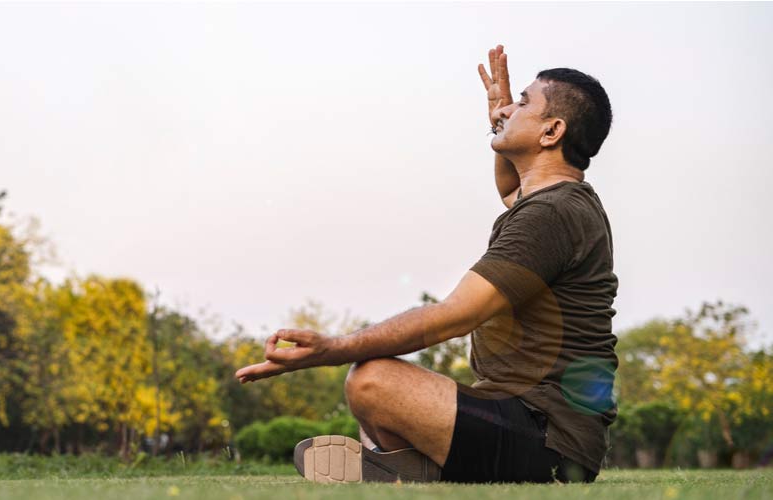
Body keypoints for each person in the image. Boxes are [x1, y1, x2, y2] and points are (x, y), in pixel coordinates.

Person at [234, 44, 618, 484]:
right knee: (382, 391)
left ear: (551, 132)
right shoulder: (555, 202)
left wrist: (331, 349)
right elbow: (512, 190)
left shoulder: (551, 215)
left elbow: (455, 316)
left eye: (524, 103)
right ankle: (414, 469)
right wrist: (500, 119)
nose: (510, 108)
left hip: (548, 441)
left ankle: (414, 467)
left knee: (373, 381)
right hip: (532, 425)